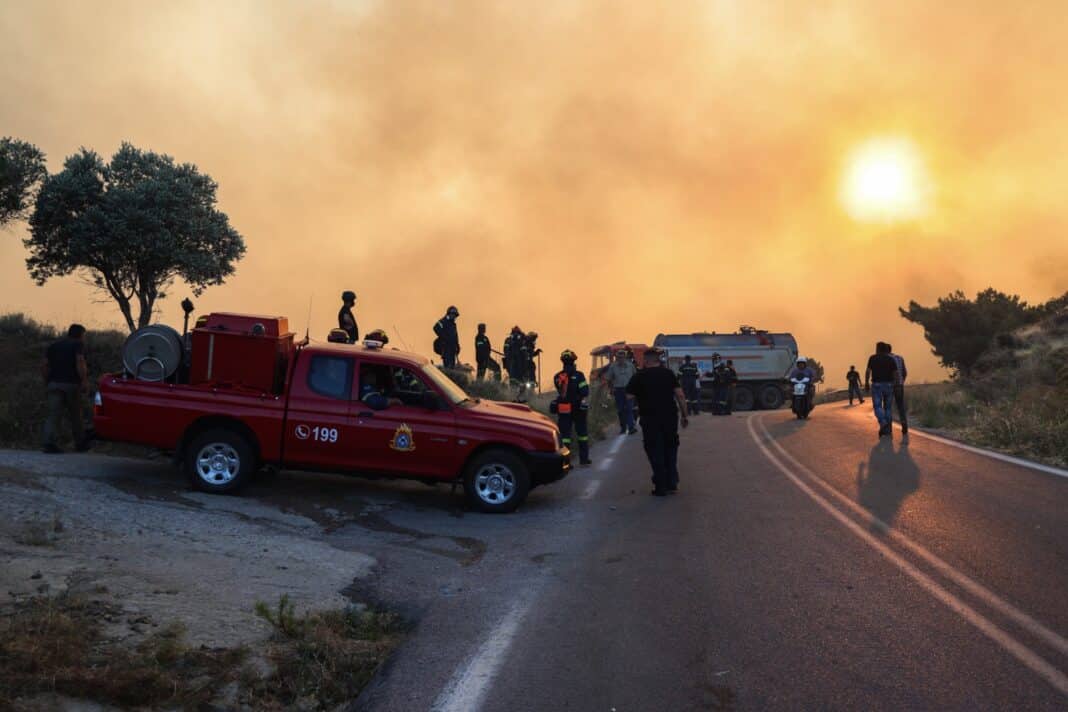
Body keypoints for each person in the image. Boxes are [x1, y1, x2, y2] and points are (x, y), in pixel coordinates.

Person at [626, 348, 689, 496]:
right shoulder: (668, 374)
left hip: (649, 419)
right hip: (669, 418)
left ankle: (661, 485)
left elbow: (629, 396)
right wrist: (684, 415)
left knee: (655, 450)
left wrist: (640, 396)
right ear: (657, 359)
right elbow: (680, 395)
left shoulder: (639, 376)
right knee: (670, 448)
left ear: (646, 360)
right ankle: (672, 482)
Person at [42, 324, 90, 454]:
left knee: (53, 415)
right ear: (80, 335)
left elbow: (45, 365)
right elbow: (80, 361)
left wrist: (47, 381)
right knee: (76, 415)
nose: (84, 338)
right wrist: (84, 380)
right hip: (71, 385)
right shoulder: (78, 345)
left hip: (54, 384)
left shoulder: (53, 346)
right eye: (84, 336)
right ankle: (80, 444)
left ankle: (49, 443)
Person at [552, 350, 592, 466]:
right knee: (582, 435)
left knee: (565, 437)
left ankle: (566, 463)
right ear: (574, 361)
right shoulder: (579, 375)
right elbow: (585, 391)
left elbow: (560, 392)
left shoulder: (557, 376)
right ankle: (584, 460)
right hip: (578, 409)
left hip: (564, 409)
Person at [865, 342, 899, 437]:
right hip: (889, 385)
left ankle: (883, 423)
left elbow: (868, 371)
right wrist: (896, 385)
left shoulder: (872, 358)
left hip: (877, 385)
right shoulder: (891, 359)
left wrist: (866, 383)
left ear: (878, 349)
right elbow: (896, 373)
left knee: (877, 406)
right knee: (888, 408)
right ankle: (888, 428)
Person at [603, 349, 638, 434]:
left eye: (622, 357)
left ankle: (631, 428)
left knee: (629, 409)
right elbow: (608, 378)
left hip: (629, 390)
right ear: (617, 358)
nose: (621, 359)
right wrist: (610, 389)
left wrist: (635, 389)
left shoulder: (630, 366)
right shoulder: (613, 367)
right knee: (621, 410)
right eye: (619, 357)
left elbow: (636, 377)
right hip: (618, 390)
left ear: (625, 357)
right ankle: (623, 428)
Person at [888, 343, 909, 435]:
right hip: (899, 385)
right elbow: (905, 372)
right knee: (900, 406)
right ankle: (904, 424)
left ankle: (888, 427)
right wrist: (901, 382)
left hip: (889, 386)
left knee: (888, 406)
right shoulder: (900, 358)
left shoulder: (886, 359)